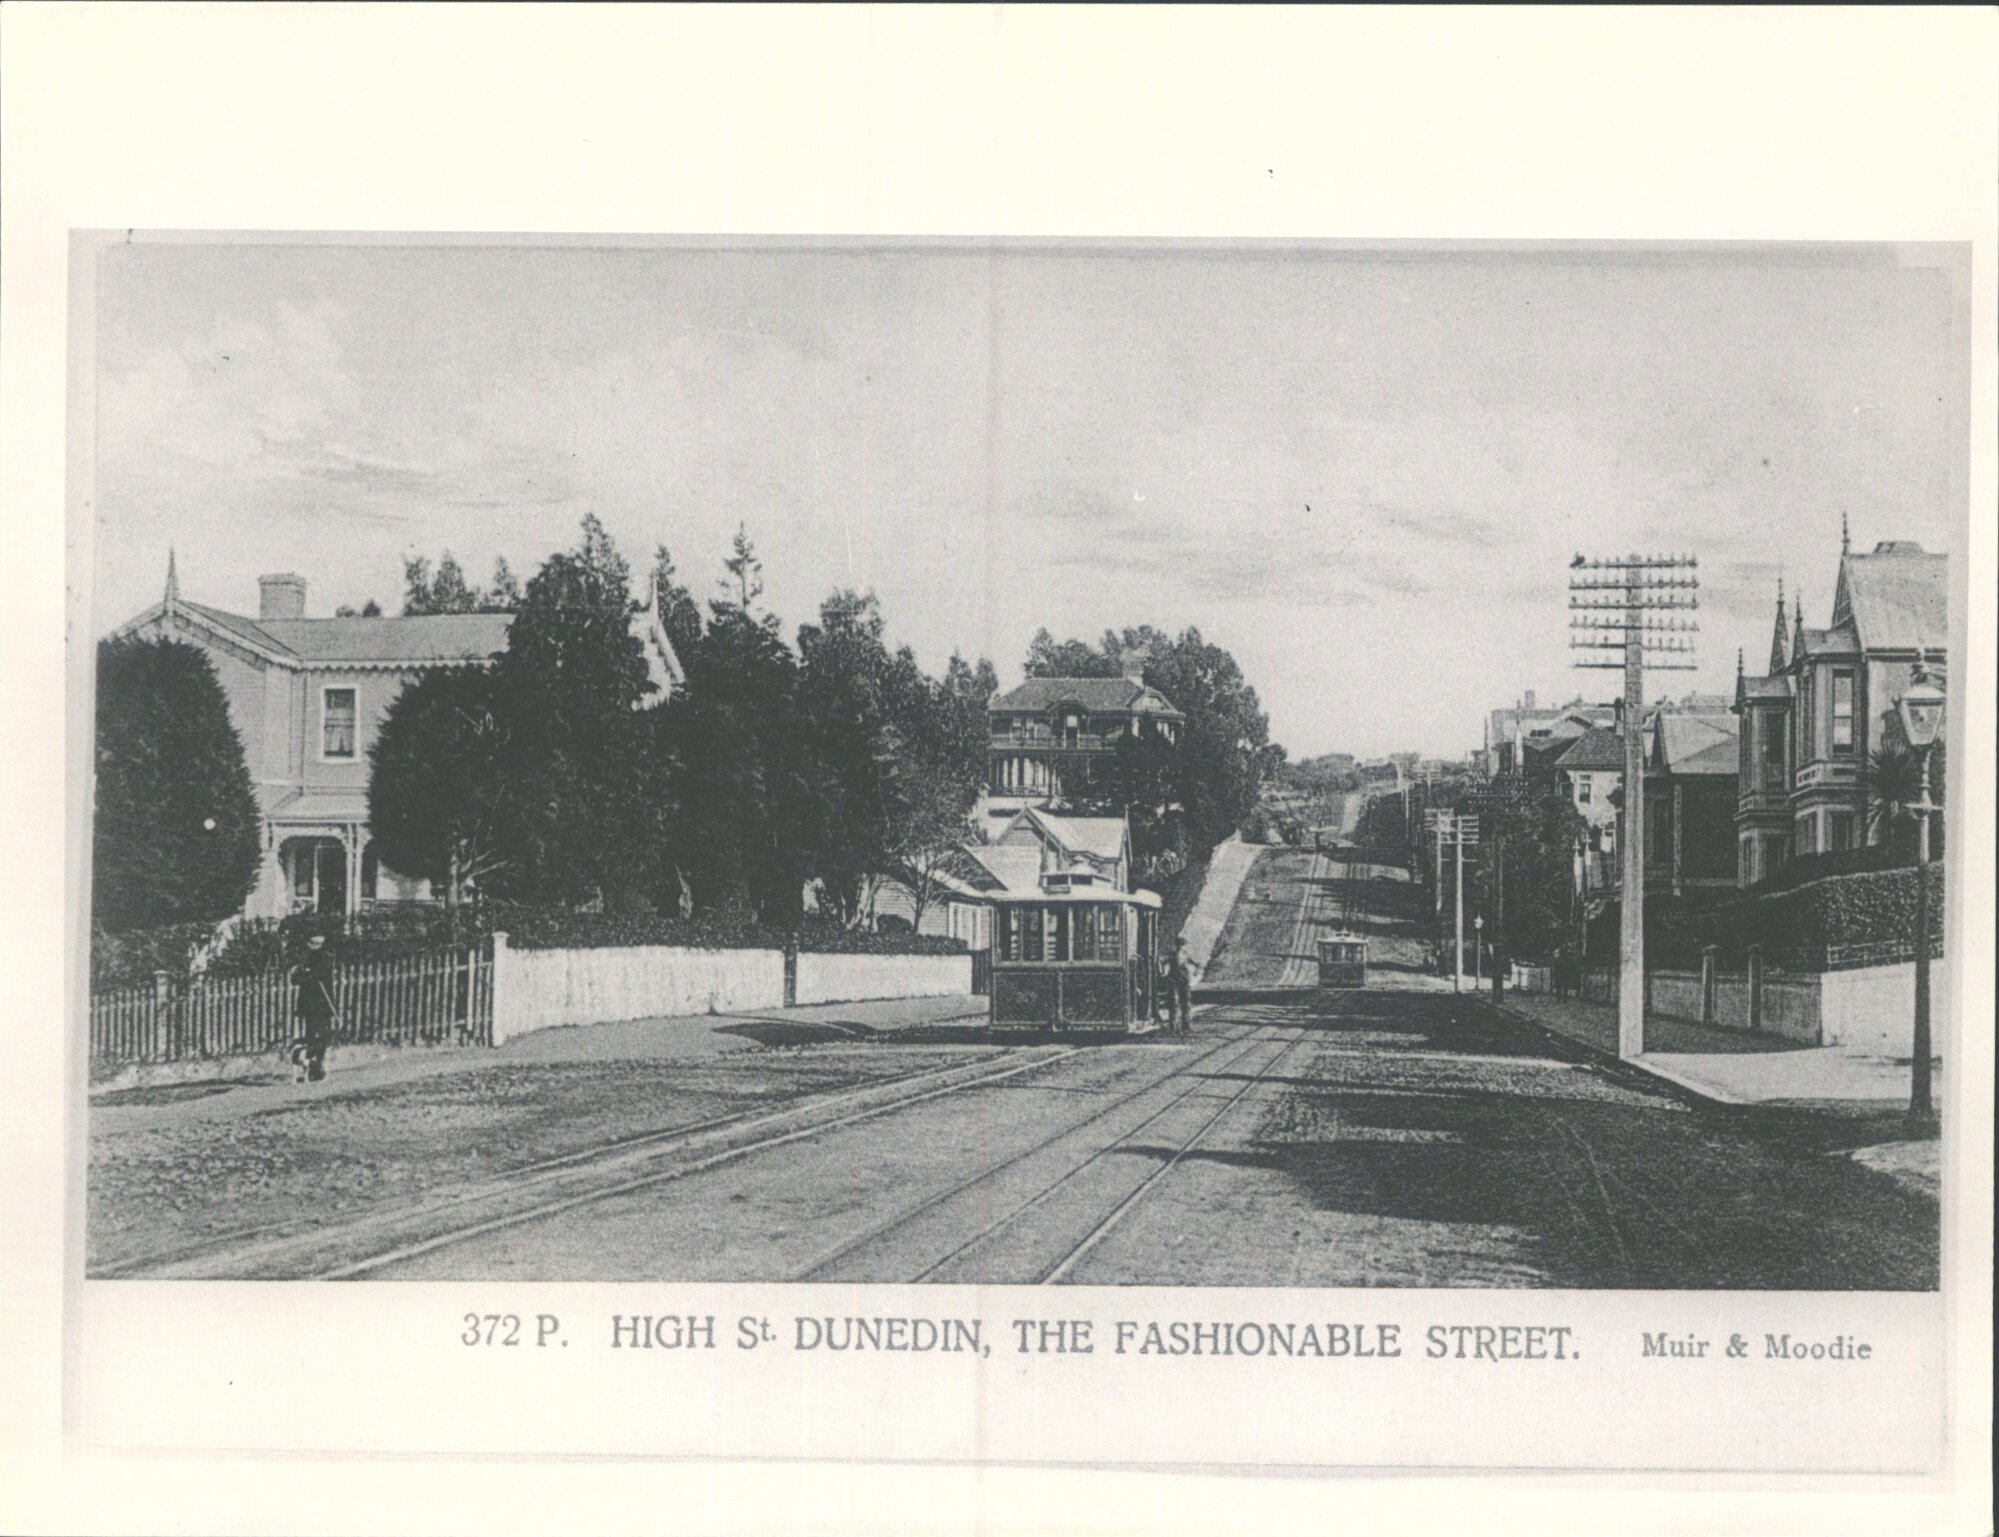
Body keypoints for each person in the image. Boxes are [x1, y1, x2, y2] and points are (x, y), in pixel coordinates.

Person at [290, 932, 339, 1083]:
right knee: (320, 1036)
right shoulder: (315, 958)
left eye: (311, 943)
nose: (308, 946)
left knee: (317, 1036)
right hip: (317, 1003)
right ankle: (311, 1064)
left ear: (318, 944)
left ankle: (312, 1065)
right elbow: (298, 979)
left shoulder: (321, 958)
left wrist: (301, 973)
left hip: (316, 1003)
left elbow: (304, 978)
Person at [1163, 937, 1194, 1036]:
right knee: (1174, 1004)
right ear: (1177, 945)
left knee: (1186, 1004)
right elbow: (1163, 962)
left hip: (1184, 980)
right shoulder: (1171, 955)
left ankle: (1186, 1026)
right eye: (1180, 945)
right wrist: (1163, 971)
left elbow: (1194, 964)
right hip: (1174, 981)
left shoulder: (1186, 955)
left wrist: (1195, 971)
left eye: (1182, 945)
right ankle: (1173, 1027)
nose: (1181, 947)